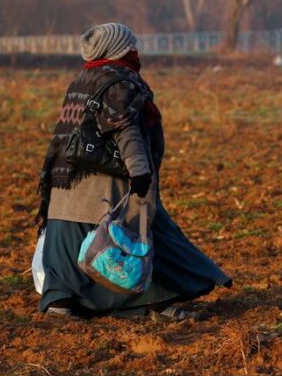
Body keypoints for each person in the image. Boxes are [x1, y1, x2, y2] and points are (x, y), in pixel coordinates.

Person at [37, 23, 231, 320]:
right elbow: (127, 131)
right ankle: (160, 300)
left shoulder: (83, 79)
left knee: (69, 246)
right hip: (105, 184)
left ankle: (60, 301)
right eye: (131, 46)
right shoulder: (120, 82)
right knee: (139, 235)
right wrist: (139, 171)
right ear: (118, 50)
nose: (135, 51)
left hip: (66, 184)